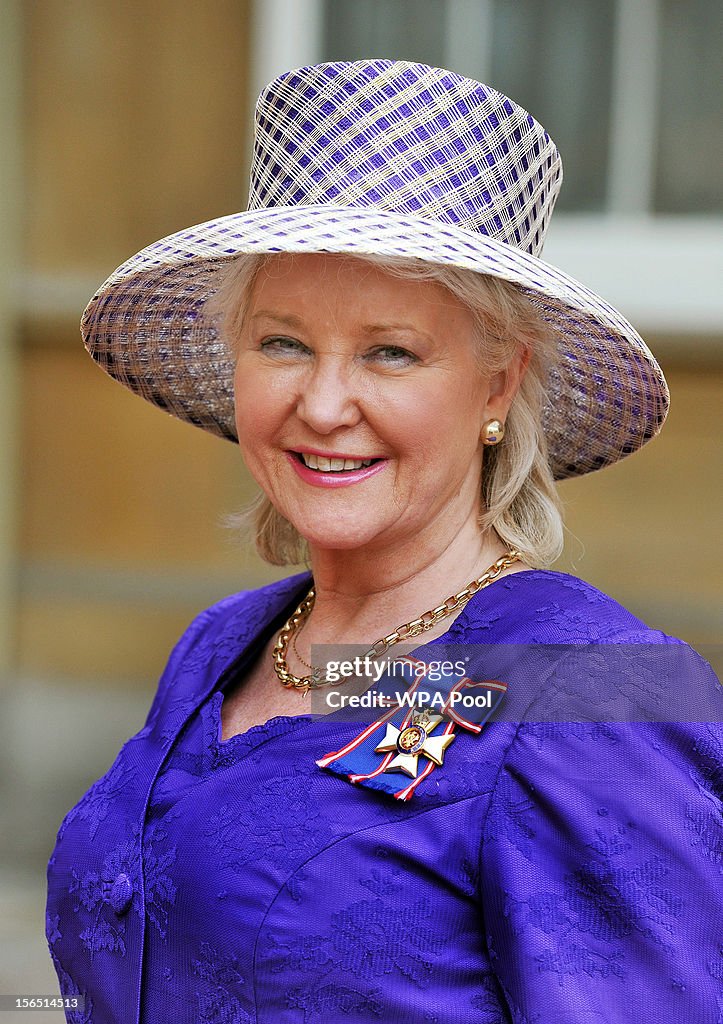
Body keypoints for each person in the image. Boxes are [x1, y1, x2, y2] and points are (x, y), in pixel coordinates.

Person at [46, 60, 722, 1024]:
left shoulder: (597, 694)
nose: (322, 405)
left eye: (390, 352)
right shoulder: (219, 647)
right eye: (282, 343)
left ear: (497, 385)